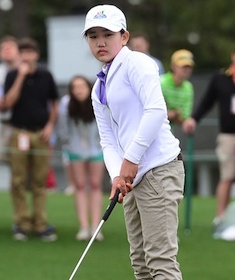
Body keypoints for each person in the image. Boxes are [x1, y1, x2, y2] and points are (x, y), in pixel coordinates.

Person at [83, 5, 184, 278]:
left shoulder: (138, 63)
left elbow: (155, 111)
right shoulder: (98, 87)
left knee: (160, 261)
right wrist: (117, 174)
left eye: (107, 34)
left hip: (158, 169)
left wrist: (130, 160)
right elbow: (108, 140)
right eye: (93, 36)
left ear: (124, 36)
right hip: (131, 178)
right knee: (141, 265)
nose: (100, 42)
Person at [182, 42, 235, 226]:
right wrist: (194, 119)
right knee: (227, 176)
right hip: (228, 134)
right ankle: (220, 217)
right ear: (233, 56)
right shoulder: (220, 78)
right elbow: (207, 102)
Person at [0, 37, 59, 242]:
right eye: (22, 52)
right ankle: (22, 223)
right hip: (19, 133)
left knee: (40, 181)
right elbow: (7, 103)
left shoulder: (46, 75)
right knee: (17, 181)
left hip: (40, 134)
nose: (26, 56)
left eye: (30, 52)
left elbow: (54, 102)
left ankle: (40, 224)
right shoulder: (12, 75)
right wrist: (20, 77)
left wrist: (51, 125)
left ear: (36, 55)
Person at [56, 75, 105, 241]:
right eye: (75, 87)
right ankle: (84, 227)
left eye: (82, 86)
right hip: (75, 150)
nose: (79, 90)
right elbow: (62, 129)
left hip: (97, 149)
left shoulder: (97, 99)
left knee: (96, 185)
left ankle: (96, 227)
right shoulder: (65, 104)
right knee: (79, 185)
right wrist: (68, 145)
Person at [0, 36, 21, 163]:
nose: (7, 51)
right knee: (12, 162)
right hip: (8, 122)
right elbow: (1, 105)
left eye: (10, 47)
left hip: (30, 123)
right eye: (3, 48)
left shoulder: (28, 69)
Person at [161, 49, 194, 125]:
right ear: (173, 66)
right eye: (183, 66)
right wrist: (174, 113)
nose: (187, 69)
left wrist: (173, 114)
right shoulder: (160, 82)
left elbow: (184, 118)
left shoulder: (188, 88)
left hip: (167, 130)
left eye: (189, 67)